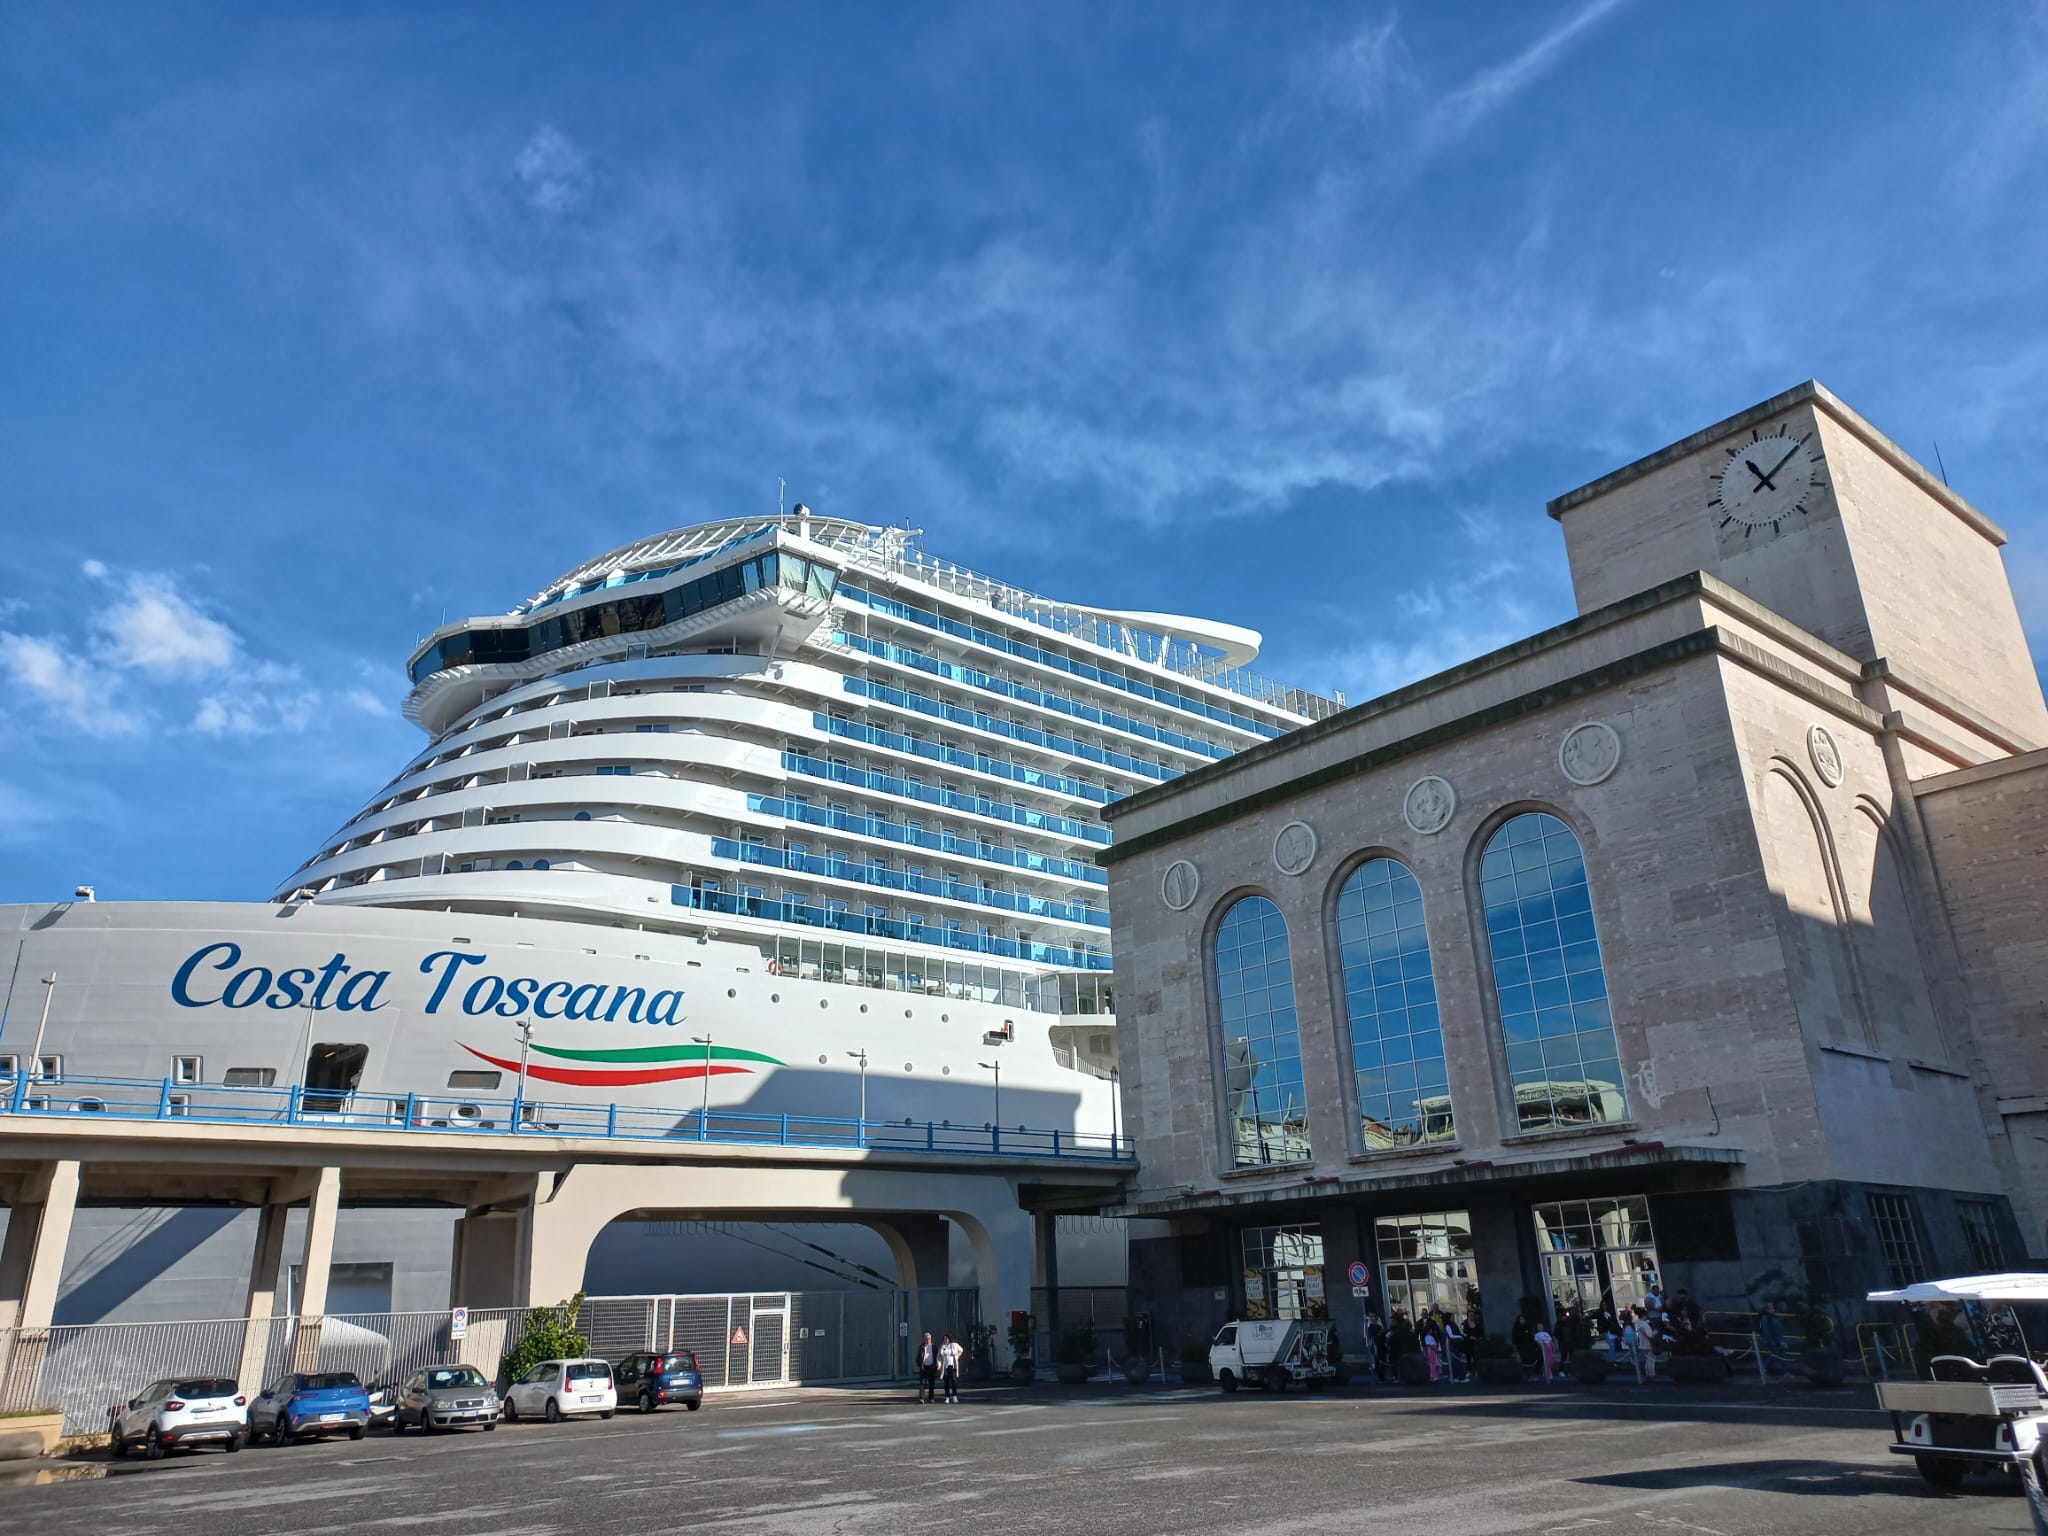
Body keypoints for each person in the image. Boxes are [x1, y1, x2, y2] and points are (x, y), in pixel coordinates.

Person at [938, 1332, 964, 1403]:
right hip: (945, 1366)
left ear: (949, 1339)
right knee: (946, 1382)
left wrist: (957, 1357)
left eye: (946, 1338)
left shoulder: (954, 1345)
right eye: (944, 1339)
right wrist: (939, 1365)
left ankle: (954, 1396)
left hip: (952, 1366)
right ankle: (947, 1397)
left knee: (953, 1381)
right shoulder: (942, 1346)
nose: (945, 1340)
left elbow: (961, 1350)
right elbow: (939, 1356)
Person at [917, 1332, 938, 1403]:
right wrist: (920, 1365)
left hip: (932, 1367)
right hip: (924, 1367)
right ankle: (921, 1398)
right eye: (926, 1339)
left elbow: (937, 1356)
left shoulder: (934, 1347)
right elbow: (918, 1357)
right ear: (924, 1339)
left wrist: (936, 1365)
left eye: (929, 1339)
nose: (928, 1340)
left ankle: (931, 1398)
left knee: (931, 1383)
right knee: (922, 1383)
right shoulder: (921, 1347)